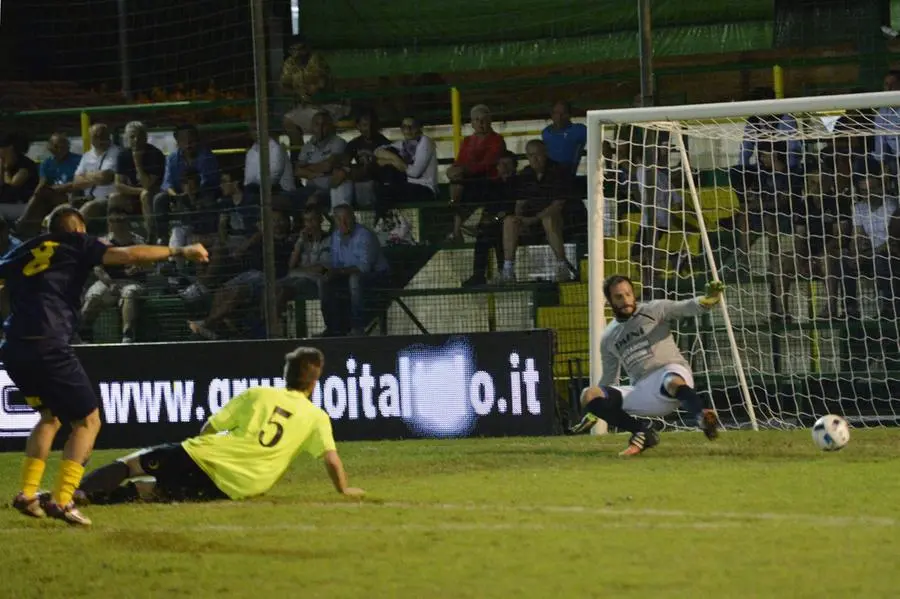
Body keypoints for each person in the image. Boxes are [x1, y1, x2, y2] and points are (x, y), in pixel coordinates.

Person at [1, 205, 208, 526]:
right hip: (49, 341)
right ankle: (63, 499)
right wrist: (179, 249)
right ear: (80, 229)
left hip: (13, 345)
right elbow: (127, 255)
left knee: (50, 418)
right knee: (88, 422)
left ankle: (28, 494)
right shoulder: (76, 243)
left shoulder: (22, 251)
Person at [75, 346, 364, 505]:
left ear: (286, 374)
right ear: (314, 383)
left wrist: (196, 451)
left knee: (133, 464)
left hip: (207, 457)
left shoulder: (258, 394)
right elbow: (331, 459)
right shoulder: (316, 416)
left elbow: (209, 429)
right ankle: (93, 499)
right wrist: (344, 490)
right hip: (237, 487)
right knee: (148, 491)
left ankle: (72, 495)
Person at [569, 275, 725, 456]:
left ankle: (702, 417)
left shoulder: (654, 309)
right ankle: (642, 432)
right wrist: (594, 410)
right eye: (619, 297)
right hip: (642, 389)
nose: (626, 300)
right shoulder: (608, 338)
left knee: (671, 381)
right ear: (610, 301)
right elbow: (609, 380)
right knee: (588, 394)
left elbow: (686, 307)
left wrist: (707, 300)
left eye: (628, 294)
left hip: (670, 371)